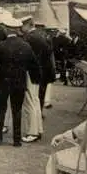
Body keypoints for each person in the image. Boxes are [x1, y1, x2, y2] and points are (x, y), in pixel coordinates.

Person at [0, 17, 40, 147]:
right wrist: (34, 80)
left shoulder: (1, 45)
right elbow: (34, 65)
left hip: (3, 81)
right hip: (19, 82)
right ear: (17, 29)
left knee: (0, 109)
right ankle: (16, 140)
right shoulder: (25, 46)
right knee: (17, 110)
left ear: (6, 28)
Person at [20, 15, 55, 143]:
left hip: (30, 72)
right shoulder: (41, 36)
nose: (21, 27)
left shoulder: (29, 38)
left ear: (28, 24)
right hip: (39, 73)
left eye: (22, 24)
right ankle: (38, 129)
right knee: (35, 102)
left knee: (29, 102)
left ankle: (32, 132)